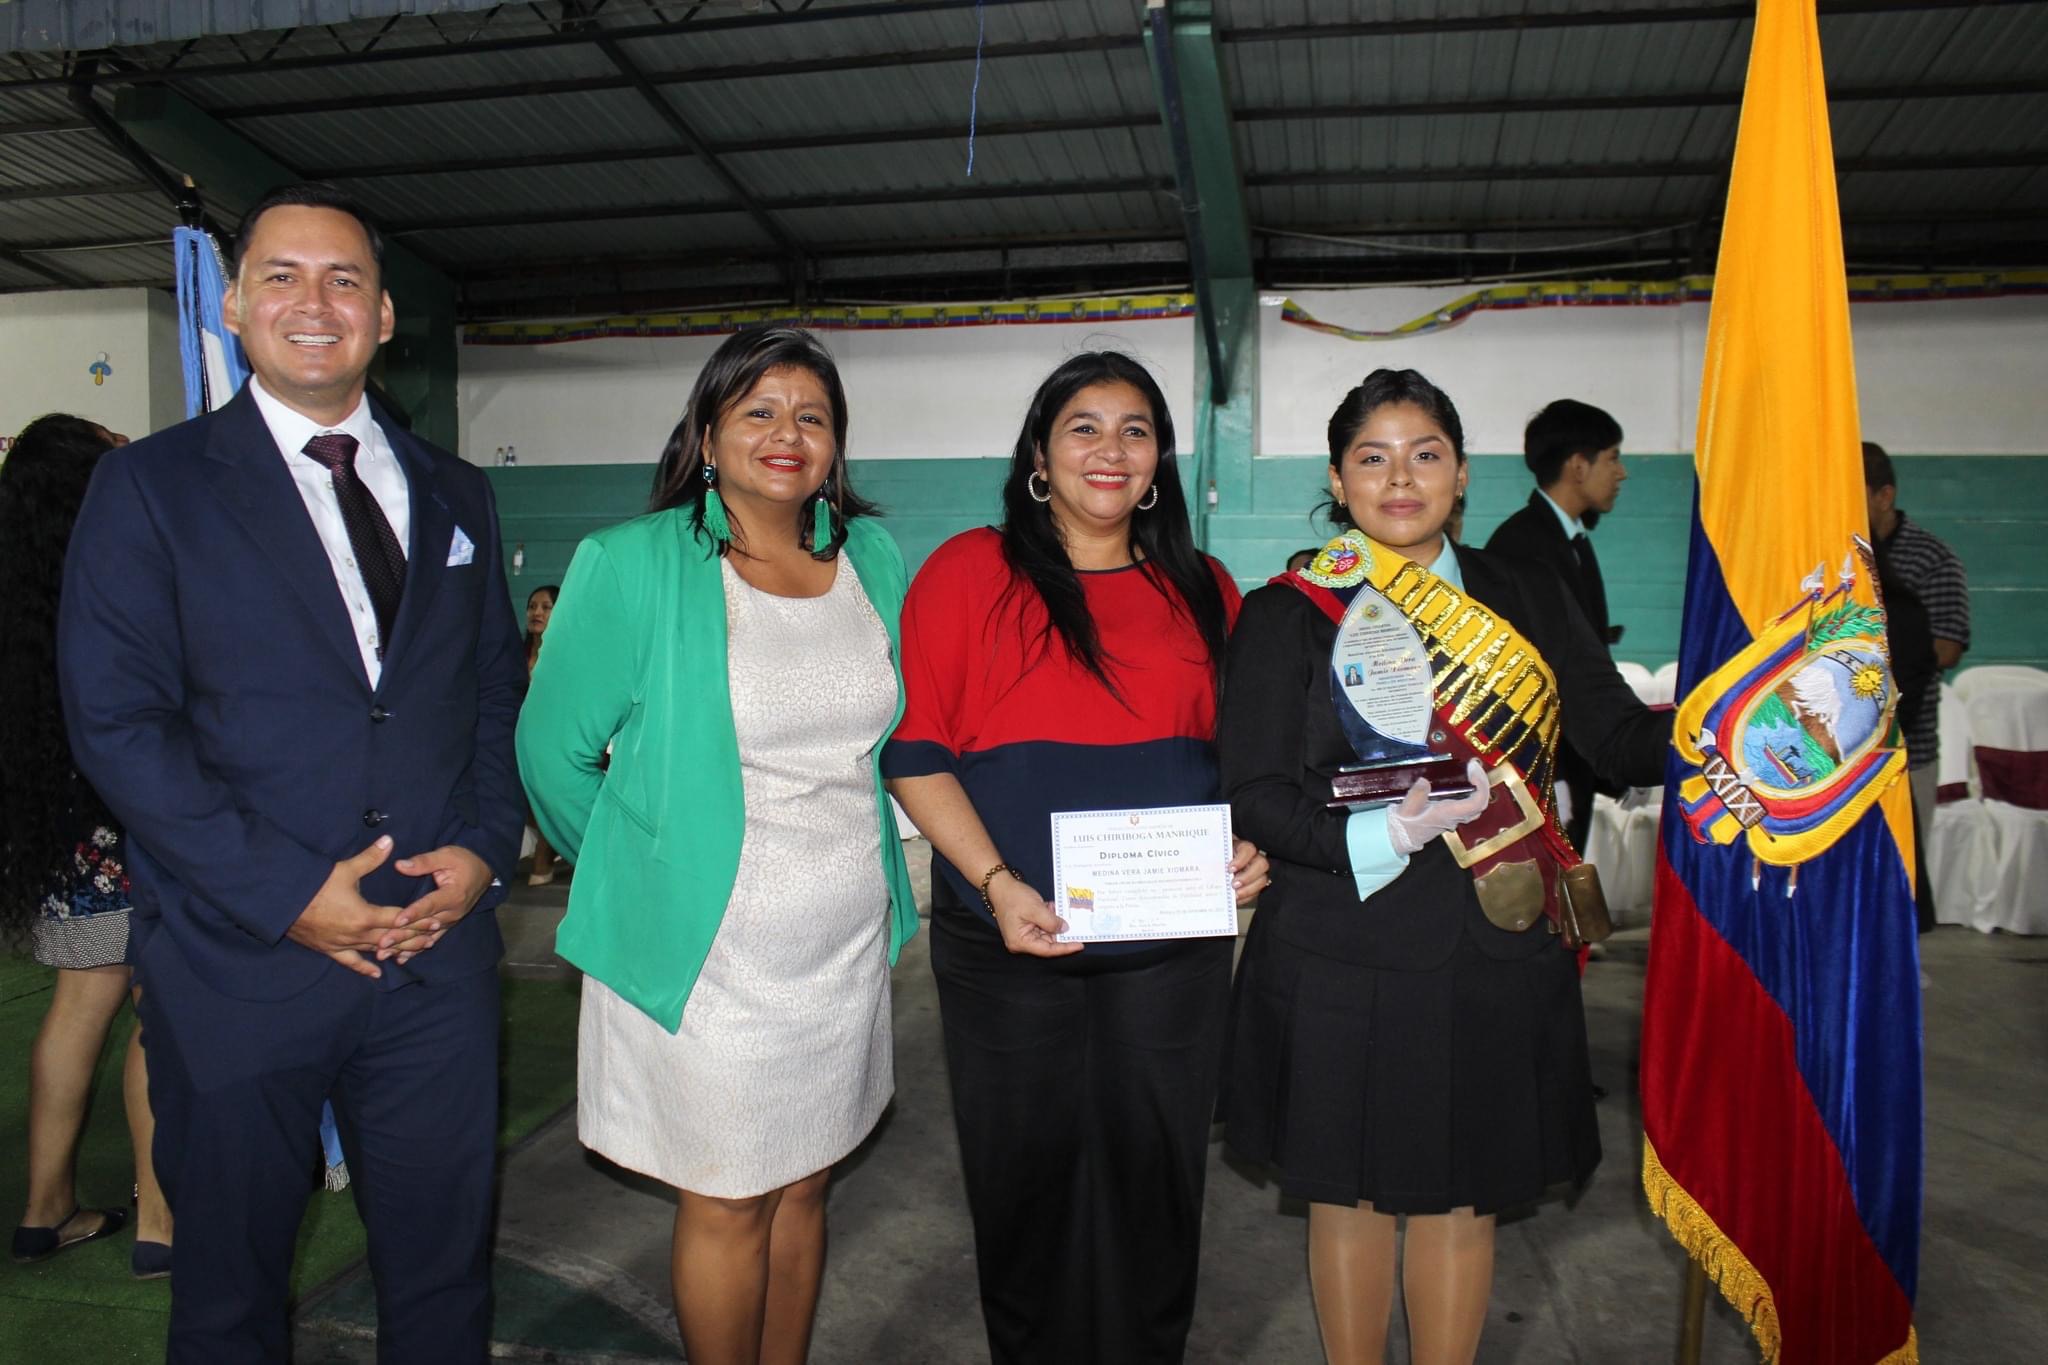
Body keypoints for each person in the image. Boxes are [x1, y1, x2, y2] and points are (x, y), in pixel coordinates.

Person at [57, 183, 526, 1363]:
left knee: (442, 1287)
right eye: (281, 276)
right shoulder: (150, 487)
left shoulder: (457, 492)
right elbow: (118, 722)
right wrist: (286, 894)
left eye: (343, 279)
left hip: (433, 963)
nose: (313, 303)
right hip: (240, 968)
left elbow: (489, 693)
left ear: (382, 317)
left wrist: (484, 848)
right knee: (228, 1301)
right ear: (230, 307)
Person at [1217, 369, 1668, 1365]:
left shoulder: (1526, 593)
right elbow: (1254, 793)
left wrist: (1729, 727)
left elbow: (1613, 734)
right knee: (1348, 1197)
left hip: (1495, 945)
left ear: (1461, 475)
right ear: (1337, 480)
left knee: (1465, 1197)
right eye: (1371, 457)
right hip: (1342, 946)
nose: (1399, 478)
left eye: (1424, 454)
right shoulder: (1288, 610)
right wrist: (1381, 837)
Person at [517, 326, 918, 1365]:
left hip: (840, 945)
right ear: (706, 434)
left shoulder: (870, 558)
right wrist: (645, 871)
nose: (788, 433)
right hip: (709, 956)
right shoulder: (632, 562)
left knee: (807, 1179)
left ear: (836, 445)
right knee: (730, 1195)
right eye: (759, 411)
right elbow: (553, 754)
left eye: (812, 416)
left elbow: (890, 741)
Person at [884, 351, 1270, 1364]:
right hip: (1007, 941)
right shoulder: (966, 572)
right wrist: (997, 884)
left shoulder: (1205, 588)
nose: (1111, 449)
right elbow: (915, 753)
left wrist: (1249, 841)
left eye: (1136, 430)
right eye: (1084, 427)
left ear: (1159, 463)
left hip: (1169, 953)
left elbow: (1244, 757)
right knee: (1023, 1186)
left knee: (1157, 1184)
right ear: (1039, 457)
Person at [2, 414, 174, 1278]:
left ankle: (45, 1210)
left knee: (76, 1008)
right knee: (160, 1014)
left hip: (63, 835)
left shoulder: (21, 590)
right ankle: (161, 1222)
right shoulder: (116, 574)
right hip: (134, 824)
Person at [1486, 398, 1629, 851]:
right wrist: (1556, 773)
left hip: (1576, 759)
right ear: (1578, 466)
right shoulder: (1520, 547)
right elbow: (1522, 675)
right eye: (1613, 458)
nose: (1622, 473)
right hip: (1546, 770)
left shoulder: (1572, 540)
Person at [1864, 440, 1970, 932]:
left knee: (1900, 884)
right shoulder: (1829, 551)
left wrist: (1864, 664)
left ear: (1884, 495)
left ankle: (1900, 971)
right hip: (1834, 754)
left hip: (1908, 750)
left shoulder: (1931, 558)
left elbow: (1946, 647)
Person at [521, 584, 562, 885]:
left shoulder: (564, 656)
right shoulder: (515, 654)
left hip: (551, 742)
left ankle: (546, 855)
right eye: (532, 606)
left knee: (546, 798)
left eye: (546, 607)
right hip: (516, 740)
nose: (537, 613)